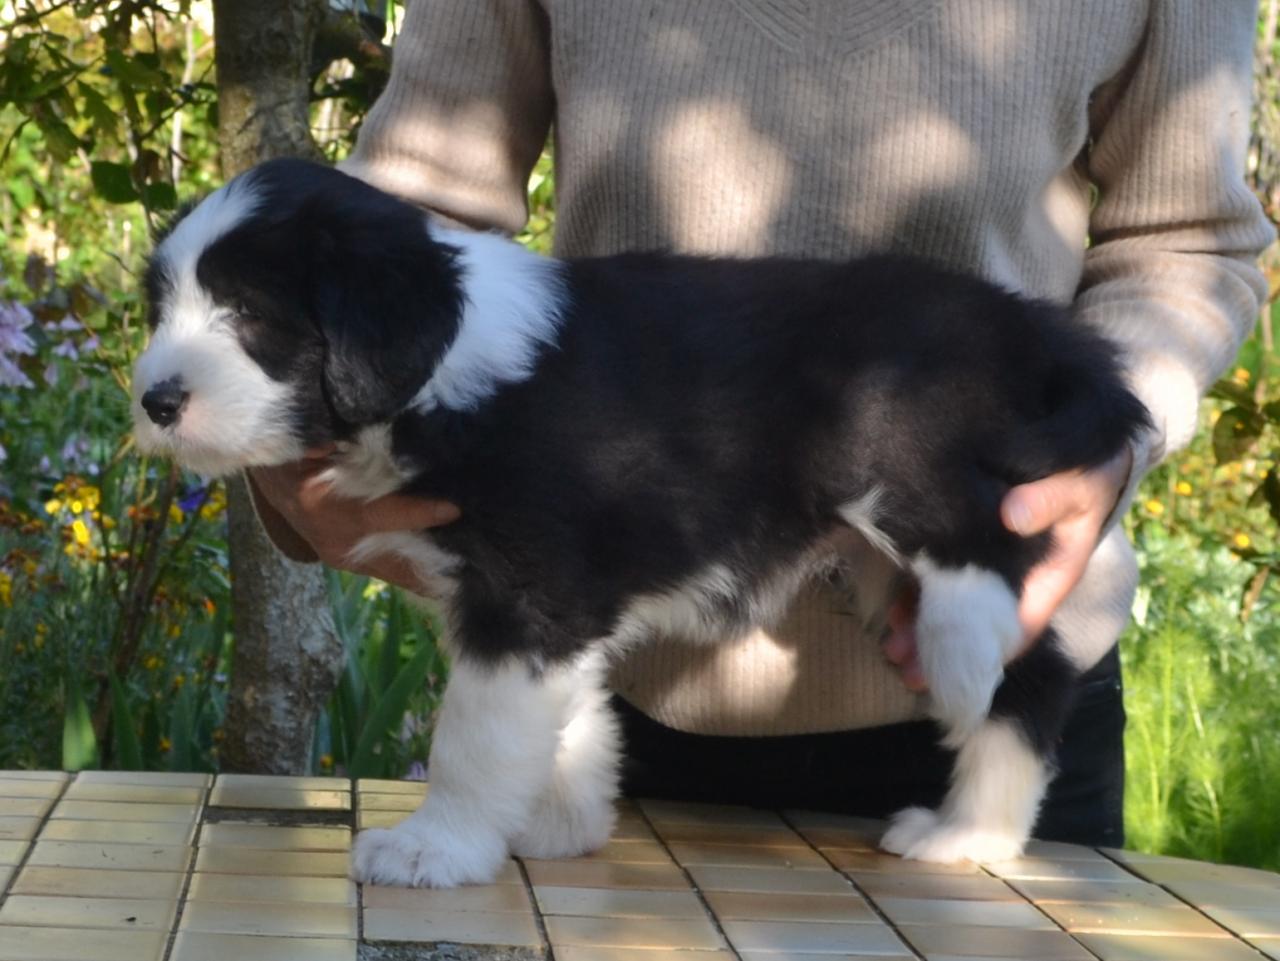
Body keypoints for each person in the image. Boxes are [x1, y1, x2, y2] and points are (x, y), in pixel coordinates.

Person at [248, 0, 1274, 846]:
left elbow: (1187, 237)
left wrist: (1095, 447)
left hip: (996, 629)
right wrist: (299, 442)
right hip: (615, 673)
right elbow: (415, 223)